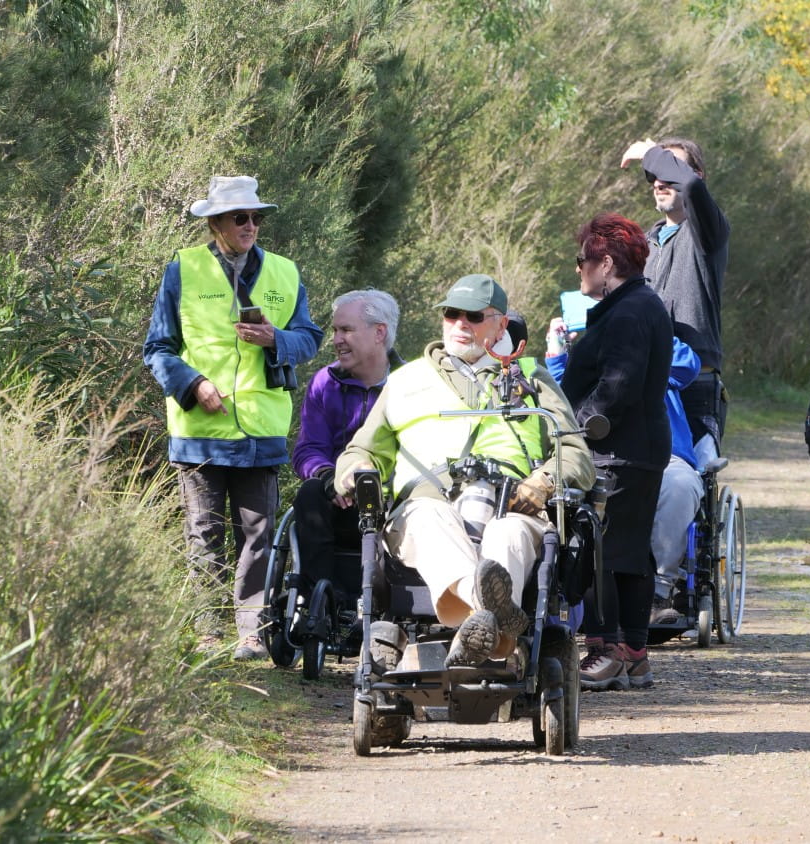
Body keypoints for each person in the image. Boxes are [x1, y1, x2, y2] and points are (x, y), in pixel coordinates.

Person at [332, 274, 595, 668]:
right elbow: (361, 450)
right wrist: (356, 470)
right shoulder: (405, 380)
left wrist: (547, 478)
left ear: (501, 324)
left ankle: (476, 630)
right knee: (430, 517)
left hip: (513, 507)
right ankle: (490, 625)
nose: (460, 324)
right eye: (451, 314)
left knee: (507, 532)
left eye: (474, 316)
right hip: (426, 507)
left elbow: (575, 451)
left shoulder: (531, 377)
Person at [144, 175, 324, 660]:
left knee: (259, 534)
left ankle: (251, 631)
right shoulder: (182, 269)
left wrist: (276, 341)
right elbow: (157, 349)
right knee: (203, 533)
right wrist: (194, 384)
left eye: (257, 217)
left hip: (261, 433)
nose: (251, 225)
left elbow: (310, 338)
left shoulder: (286, 272)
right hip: (200, 433)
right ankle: (205, 629)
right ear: (215, 223)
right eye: (240, 217)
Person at [557, 212, 673, 691]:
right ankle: (634, 653)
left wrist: (575, 430)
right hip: (632, 447)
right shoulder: (636, 305)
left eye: (582, 261)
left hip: (617, 449)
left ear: (606, 263)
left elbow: (617, 387)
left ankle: (606, 648)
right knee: (627, 552)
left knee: (598, 548)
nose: (578, 270)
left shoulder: (629, 310)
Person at [545, 326, 703, 627]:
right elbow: (555, 404)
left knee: (679, 485)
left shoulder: (654, 357)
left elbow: (689, 366)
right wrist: (558, 354)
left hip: (663, 456)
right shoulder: (580, 359)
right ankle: (567, 597)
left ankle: (658, 593)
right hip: (592, 456)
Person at [290, 289, 403, 608]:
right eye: (335, 330)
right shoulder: (325, 382)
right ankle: (320, 603)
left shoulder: (410, 383)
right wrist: (330, 479)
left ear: (379, 332)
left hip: (393, 504)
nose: (336, 339)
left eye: (347, 330)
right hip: (338, 500)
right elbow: (308, 449)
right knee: (310, 494)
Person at [620, 136, 730, 460]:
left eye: (671, 170)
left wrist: (650, 154)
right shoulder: (642, 245)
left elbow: (693, 189)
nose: (659, 181)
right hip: (643, 379)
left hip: (694, 383)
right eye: (653, 174)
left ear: (697, 174)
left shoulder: (709, 233)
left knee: (690, 485)